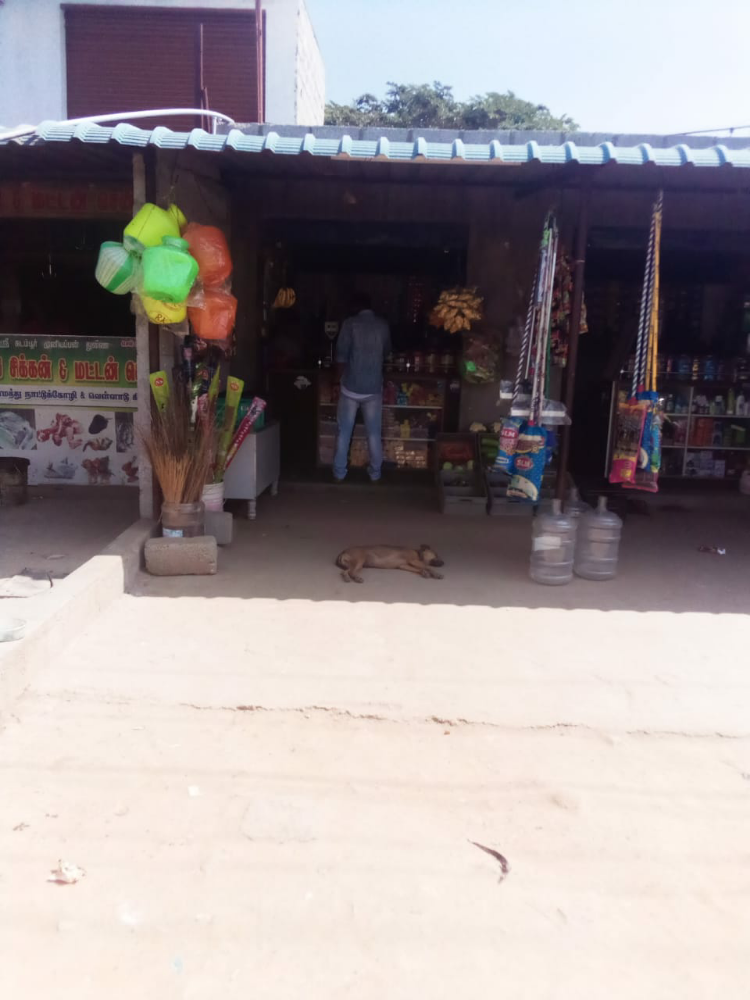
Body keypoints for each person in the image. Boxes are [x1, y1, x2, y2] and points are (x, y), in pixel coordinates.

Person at [333, 292, 391, 482]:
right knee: (373, 433)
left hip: (350, 387)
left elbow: (341, 356)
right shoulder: (382, 325)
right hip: (373, 387)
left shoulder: (349, 324)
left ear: (355, 307)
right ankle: (375, 473)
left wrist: (336, 380)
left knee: (344, 432)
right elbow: (387, 352)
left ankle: (339, 473)